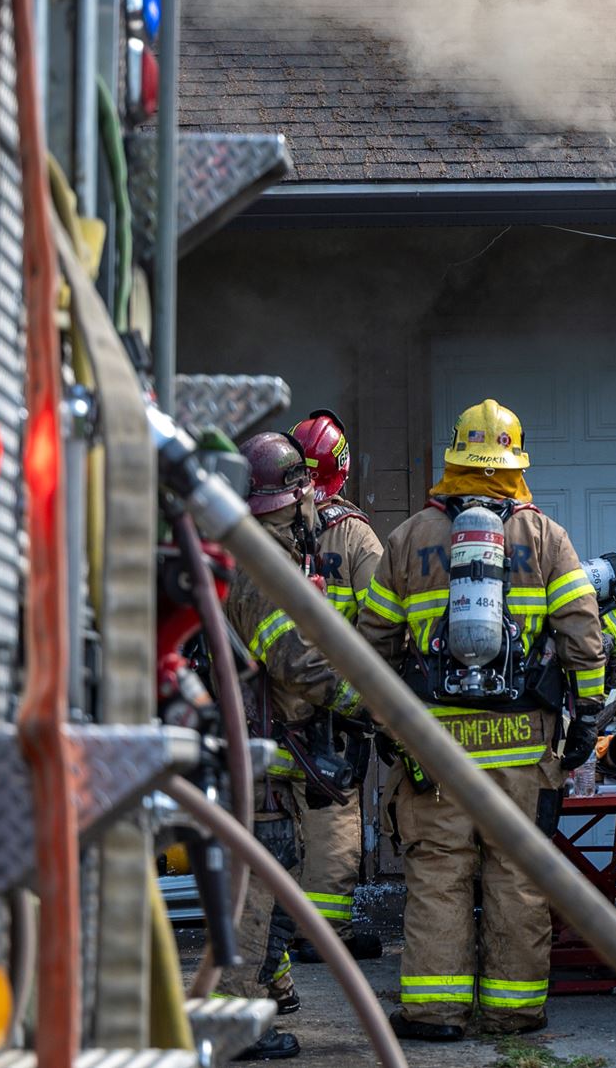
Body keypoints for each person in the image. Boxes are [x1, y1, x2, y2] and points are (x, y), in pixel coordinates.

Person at [357, 398, 607, 1041]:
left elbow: (371, 646)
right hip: (523, 749)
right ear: (515, 464)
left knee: (439, 876)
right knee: (518, 878)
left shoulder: (410, 538)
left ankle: (434, 1013)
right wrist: (587, 714)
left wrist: (387, 726)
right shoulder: (545, 537)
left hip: (435, 753)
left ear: (454, 460)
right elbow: (582, 634)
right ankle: (512, 1012)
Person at [222, 432, 362, 1061]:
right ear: (298, 496)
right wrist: (368, 704)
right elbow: (297, 666)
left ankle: (263, 993)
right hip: (258, 752)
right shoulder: (263, 569)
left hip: (261, 748)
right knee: (258, 884)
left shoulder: (258, 556)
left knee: (269, 876)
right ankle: (235, 1020)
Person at [286, 409, 385, 961]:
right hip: (335, 702)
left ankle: (279, 927)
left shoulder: (266, 527)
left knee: (279, 810)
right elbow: (384, 619)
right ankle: (323, 935)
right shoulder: (353, 534)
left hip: (273, 699)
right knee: (332, 812)